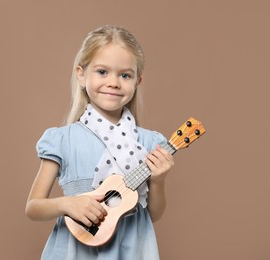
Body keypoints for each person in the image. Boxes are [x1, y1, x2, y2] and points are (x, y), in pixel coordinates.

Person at [25, 25, 174, 260]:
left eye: (125, 75)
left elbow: (154, 214)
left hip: (132, 250)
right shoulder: (63, 140)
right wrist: (68, 205)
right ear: (81, 75)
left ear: (137, 81)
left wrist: (159, 181)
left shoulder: (149, 142)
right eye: (102, 72)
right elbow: (33, 206)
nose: (114, 82)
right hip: (76, 249)